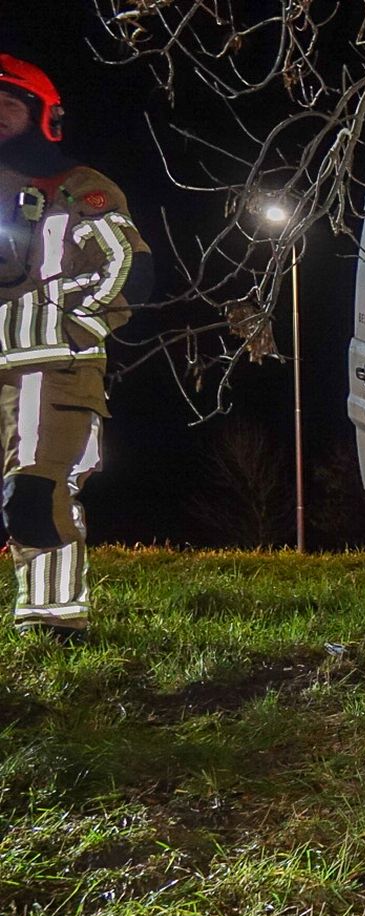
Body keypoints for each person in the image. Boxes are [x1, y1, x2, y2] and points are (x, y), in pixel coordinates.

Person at [1, 55, 152, 641]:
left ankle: (52, 622)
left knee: (35, 494)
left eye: (8, 107)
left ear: (44, 117)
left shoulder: (78, 189)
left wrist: (68, 321)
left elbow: (129, 268)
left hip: (53, 369)